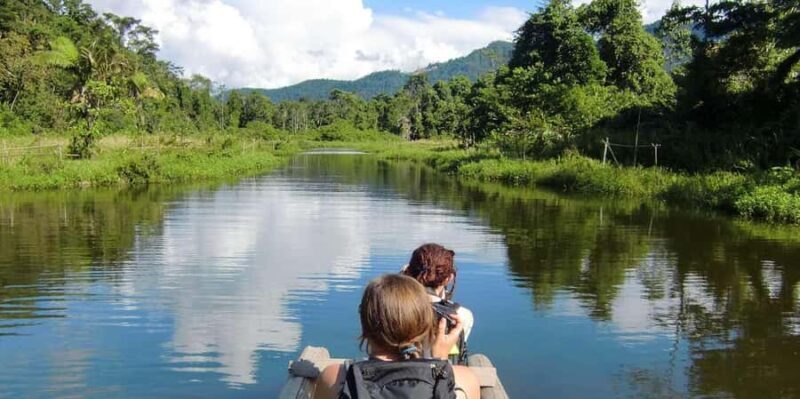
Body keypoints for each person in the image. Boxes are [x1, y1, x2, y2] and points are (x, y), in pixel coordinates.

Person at [315, 274, 480, 399]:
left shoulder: (335, 377)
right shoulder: (465, 379)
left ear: (365, 322)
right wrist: (440, 364)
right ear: (424, 324)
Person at [402, 244, 474, 363]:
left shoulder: (395, 307)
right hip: (441, 371)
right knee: (479, 359)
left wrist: (405, 278)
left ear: (409, 272)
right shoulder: (462, 315)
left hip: (400, 372)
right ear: (448, 279)